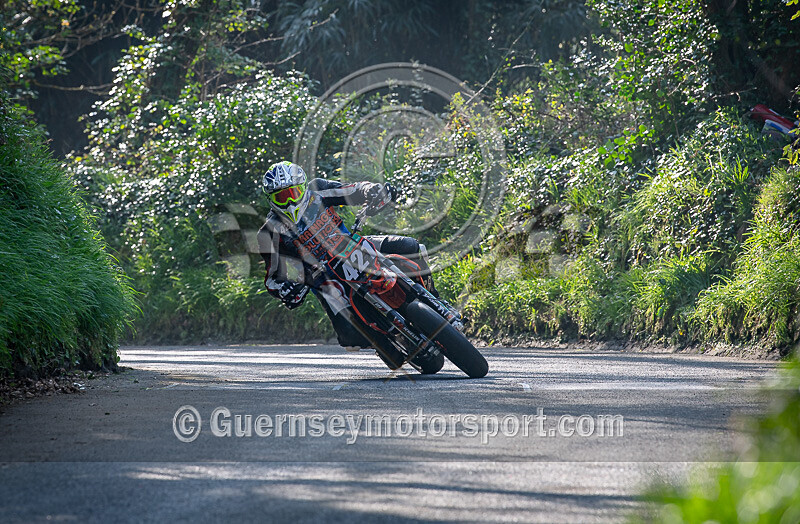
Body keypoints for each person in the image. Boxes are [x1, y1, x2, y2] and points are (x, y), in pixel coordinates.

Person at [257, 161, 437, 367]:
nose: (289, 200)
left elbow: (354, 189)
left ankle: (432, 297)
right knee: (350, 335)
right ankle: (383, 340)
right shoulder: (268, 232)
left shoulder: (318, 190)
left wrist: (373, 191)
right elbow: (272, 277)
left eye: (294, 192)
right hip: (324, 278)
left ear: (304, 187)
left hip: (352, 245)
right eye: (281, 196)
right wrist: (285, 287)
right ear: (271, 199)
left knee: (409, 245)